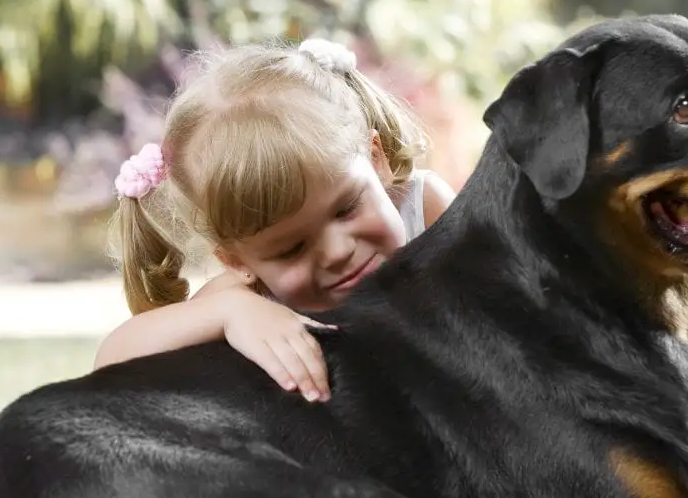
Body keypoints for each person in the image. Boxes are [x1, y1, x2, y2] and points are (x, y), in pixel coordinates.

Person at [95, 38, 456, 403]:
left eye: (346, 208)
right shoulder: (250, 295)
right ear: (238, 262)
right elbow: (110, 362)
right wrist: (228, 313)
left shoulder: (424, 210)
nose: (337, 250)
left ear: (375, 159)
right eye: (291, 249)